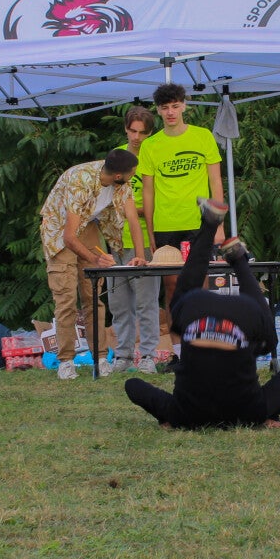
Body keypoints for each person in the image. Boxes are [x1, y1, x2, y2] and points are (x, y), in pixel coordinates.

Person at [123, 200, 280, 429]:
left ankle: (237, 257)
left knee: (278, 352)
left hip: (233, 400)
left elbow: (268, 345)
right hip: (206, 313)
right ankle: (217, 234)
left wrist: (248, 347)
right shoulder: (180, 415)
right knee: (183, 296)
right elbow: (135, 388)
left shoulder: (183, 415)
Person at [39, 148, 142, 379]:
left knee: (93, 296)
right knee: (66, 298)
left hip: (87, 226)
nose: (133, 176)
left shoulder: (121, 183)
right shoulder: (81, 181)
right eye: (132, 173)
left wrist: (139, 256)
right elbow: (69, 237)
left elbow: (133, 220)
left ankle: (101, 357)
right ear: (118, 175)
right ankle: (66, 361)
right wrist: (95, 259)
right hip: (60, 230)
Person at [138, 84, 223, 320]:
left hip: (199, 222)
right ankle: (177, 343)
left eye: (175, 106)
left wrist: (218, 225)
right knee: (172, 287)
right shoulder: (150, 145)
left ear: (184, 106)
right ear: (158, 110)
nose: (171, 112)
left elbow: (216, 182)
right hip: (166, 225)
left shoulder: (203, 136)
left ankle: (200, 339)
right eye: (165, 107)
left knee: (200, 284)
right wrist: (151, 231)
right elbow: (148, 192)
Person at [111, 106, 163, 374]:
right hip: (117, 240)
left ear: (150, 133)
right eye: (132, 131)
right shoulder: (117, 155)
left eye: (142, 133)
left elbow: (161, 200)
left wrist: (137, 211)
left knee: (146, 302)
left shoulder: (155, 155)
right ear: (125, 129)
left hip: (144, 239)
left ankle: (149, 356)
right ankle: (123, 355)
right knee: (119, 303)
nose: (136, 137)